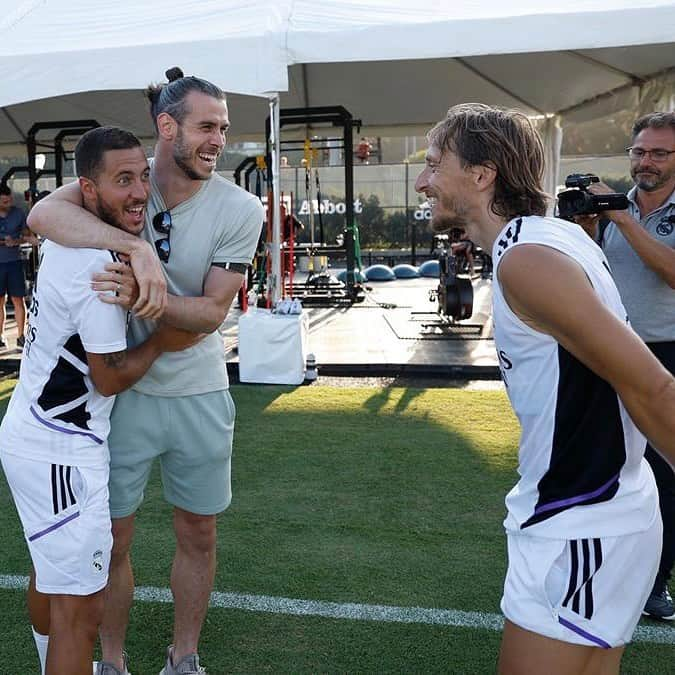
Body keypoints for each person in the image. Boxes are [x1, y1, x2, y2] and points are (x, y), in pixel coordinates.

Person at [415, 103, 675, 675]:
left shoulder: (527, 261)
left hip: (581, 522)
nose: (421, 180)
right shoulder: (546, 238)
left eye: (435, 164)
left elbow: (652, 387)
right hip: (606, 515)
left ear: (482, 175)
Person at [28, 68, 264, 675]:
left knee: (199, 535)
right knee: (113, 540)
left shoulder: (242, 208)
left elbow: (212, 312)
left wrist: (136, 290)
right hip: (119, 398)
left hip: (200, 391)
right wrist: (136, 250)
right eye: (207, 126)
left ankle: (183, 656)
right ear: (167, 126)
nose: (219, 140)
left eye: (224, 128)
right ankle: (110, 659)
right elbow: (42, 218)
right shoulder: (124, 181)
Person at [0, 126, 198, 675]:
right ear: (88, 190)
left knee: (50, 574)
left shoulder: (76, 237)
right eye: (122, 181)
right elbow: (107, 377)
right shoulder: (99, 266)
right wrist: (163, 340)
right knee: (80, 614)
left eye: (142, 177)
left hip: (31, 433)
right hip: (60, 451)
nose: (139, 192)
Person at [574, 111, 675, 622]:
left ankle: (654, 584)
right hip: (613, 345)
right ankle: (599, 573)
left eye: (659, 153)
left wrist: (621, 219)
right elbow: (596, 275)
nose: (646, 162)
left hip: (667, 354)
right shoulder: (618, 206)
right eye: (639, 152)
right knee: (605, 463)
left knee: (665, 475)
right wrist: (592, 229)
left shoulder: (627, 212)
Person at [0, 183, 37, 348]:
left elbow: (28, 236)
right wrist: (3, 241)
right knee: (0, 300)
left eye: (10, 200)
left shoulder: (18, 213)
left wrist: (16, 241)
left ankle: (21, 336)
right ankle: (0, 336)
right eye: (5, 201)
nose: (9, 203)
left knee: (18, 299)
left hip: (14, 262)